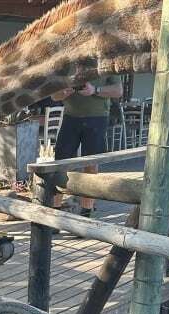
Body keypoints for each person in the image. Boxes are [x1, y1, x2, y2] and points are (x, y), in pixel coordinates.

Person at [50, 76, 123, 217]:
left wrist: (95, 90)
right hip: (70, 117)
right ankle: (55, 213)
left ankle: (86, 213)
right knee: (60, 164)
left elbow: (118, 91)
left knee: (91, 164)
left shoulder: (104, 65)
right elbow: (54, 96)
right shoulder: (68, 66)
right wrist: (63, 93)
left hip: (97, 118)